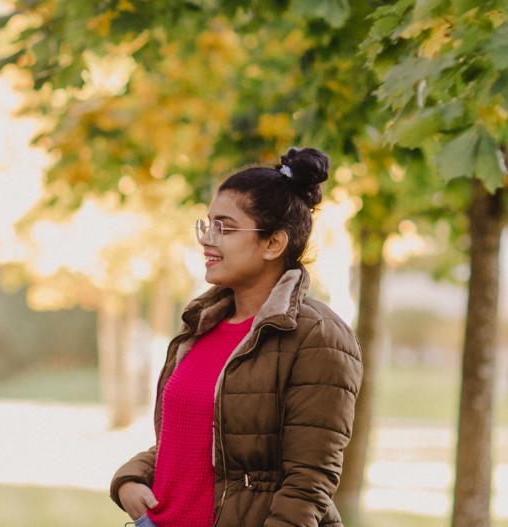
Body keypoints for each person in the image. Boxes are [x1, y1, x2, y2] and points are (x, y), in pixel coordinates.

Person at [111, 148, 363, 526]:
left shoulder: (318, 337)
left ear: (273, 243)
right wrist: (131, 478)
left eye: (225, 228)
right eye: (208, 224)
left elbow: (308, 486)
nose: (208, 240)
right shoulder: (201, 325)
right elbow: (195, 441)